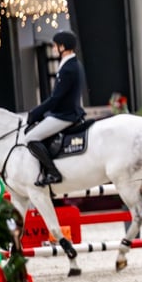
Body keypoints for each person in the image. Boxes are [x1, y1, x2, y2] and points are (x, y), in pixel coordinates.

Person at [23, 30, 86, 186]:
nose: (53, 48)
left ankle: (53, 173)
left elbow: (56, 98)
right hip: (65, 112)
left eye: (55, 45)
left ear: (62, 47)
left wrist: (35, 113)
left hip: (65, 115)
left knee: (30, 138)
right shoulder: (73, 64)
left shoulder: (68, 68)